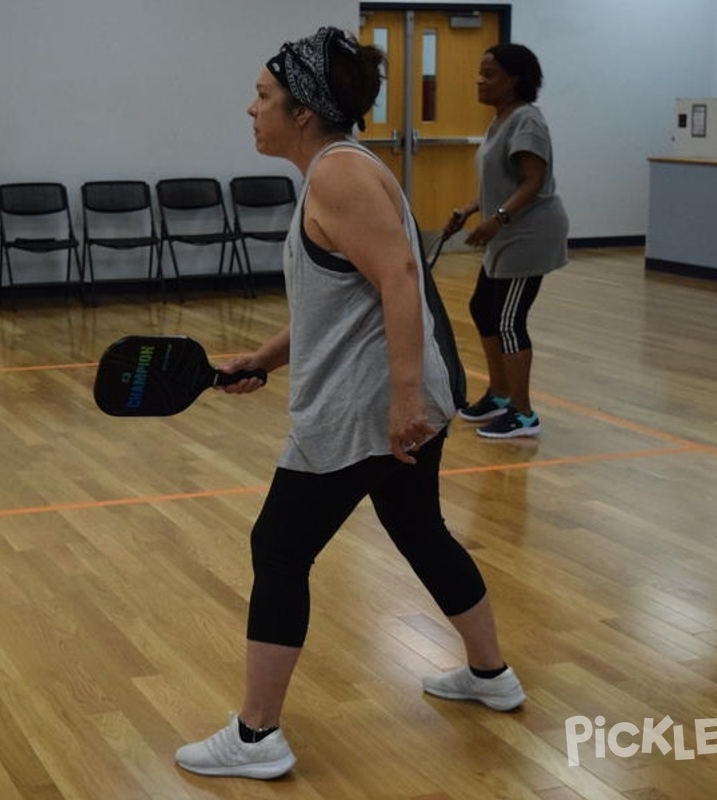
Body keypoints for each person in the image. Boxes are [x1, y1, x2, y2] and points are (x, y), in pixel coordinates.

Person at [173, 27, 524, 781]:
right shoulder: (335, 172)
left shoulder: (339, 176)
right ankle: (492, 676)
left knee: (279, 547)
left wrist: (402, 402)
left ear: (303, 112)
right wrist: (262, 358)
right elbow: (345, 300)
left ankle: (257, 734)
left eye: (264, 97)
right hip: (391, 396)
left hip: (370, 406)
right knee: (418, 527)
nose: (251, 108)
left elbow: (400, 278)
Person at [443, 44, 569, 439]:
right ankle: (499, 394)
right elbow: (503, 184)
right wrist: (468, 210)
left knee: (509, 320)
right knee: (483, 308)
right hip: (507, 231)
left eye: (489, 74)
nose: (480, 81)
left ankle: (523, 412)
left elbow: (533, 181)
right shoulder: (501, 120)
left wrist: (497, 220)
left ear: (514, 80)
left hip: (528, 235)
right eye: (480, 73)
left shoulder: (527, 122)